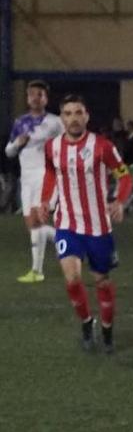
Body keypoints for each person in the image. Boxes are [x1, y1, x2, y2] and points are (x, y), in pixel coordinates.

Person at [31, 94, 133, 354]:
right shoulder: (52, 147)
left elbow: (124, 176)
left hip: (99, 226)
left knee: (101, 281)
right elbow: (52, 174)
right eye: (67, 113)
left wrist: (119, 201)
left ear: (86, 116)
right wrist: (46, 201)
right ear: (62, 118)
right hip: (67, 223)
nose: (73, 118)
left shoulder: (102, 146)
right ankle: (87, 323)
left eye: (78, 113)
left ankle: (108, 329)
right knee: (72, 279)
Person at [5, 80, 64, 283]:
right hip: (27, 176)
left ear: (46, 98)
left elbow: (68, 144)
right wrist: (17, 143)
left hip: (45, 174)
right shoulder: (20, 122)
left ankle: (37, 272)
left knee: (38, 221)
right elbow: (8, 152)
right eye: (31, 94)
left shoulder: (56, 122)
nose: (35, 98)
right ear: (28, 98)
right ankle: (71, 244)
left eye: (40, 94)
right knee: (32, 226)